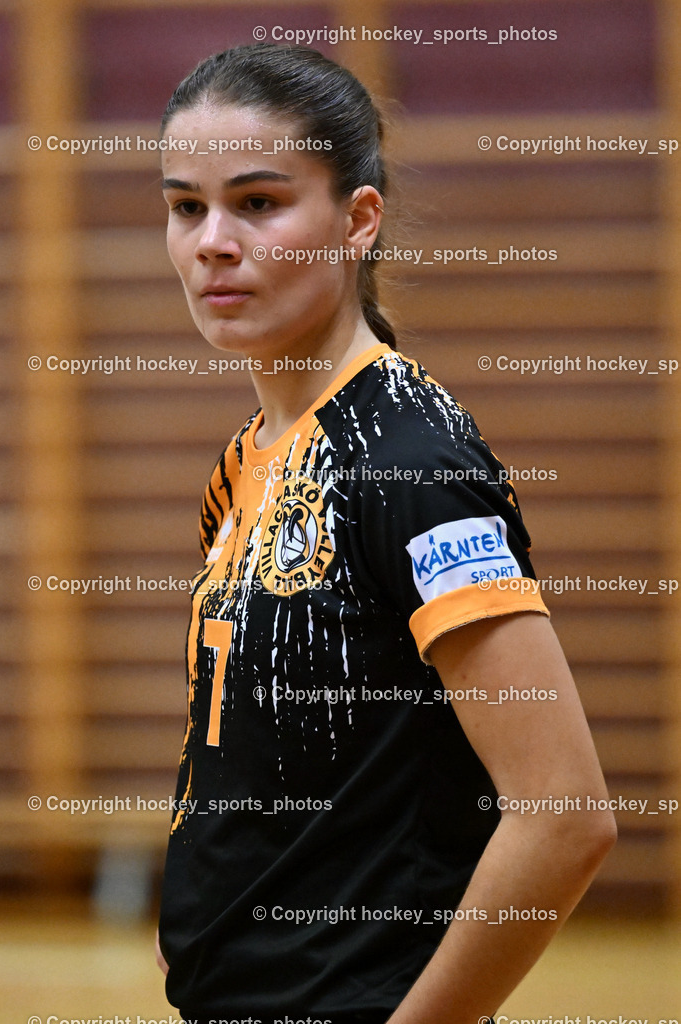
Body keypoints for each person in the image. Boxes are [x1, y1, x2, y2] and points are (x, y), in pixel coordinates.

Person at [155, 43, 616, 1024]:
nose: (210, 241)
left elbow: (563, 814)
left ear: (356, 220)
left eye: (258, 202)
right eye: (186, 206)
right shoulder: (248, 458)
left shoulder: (407, 459)